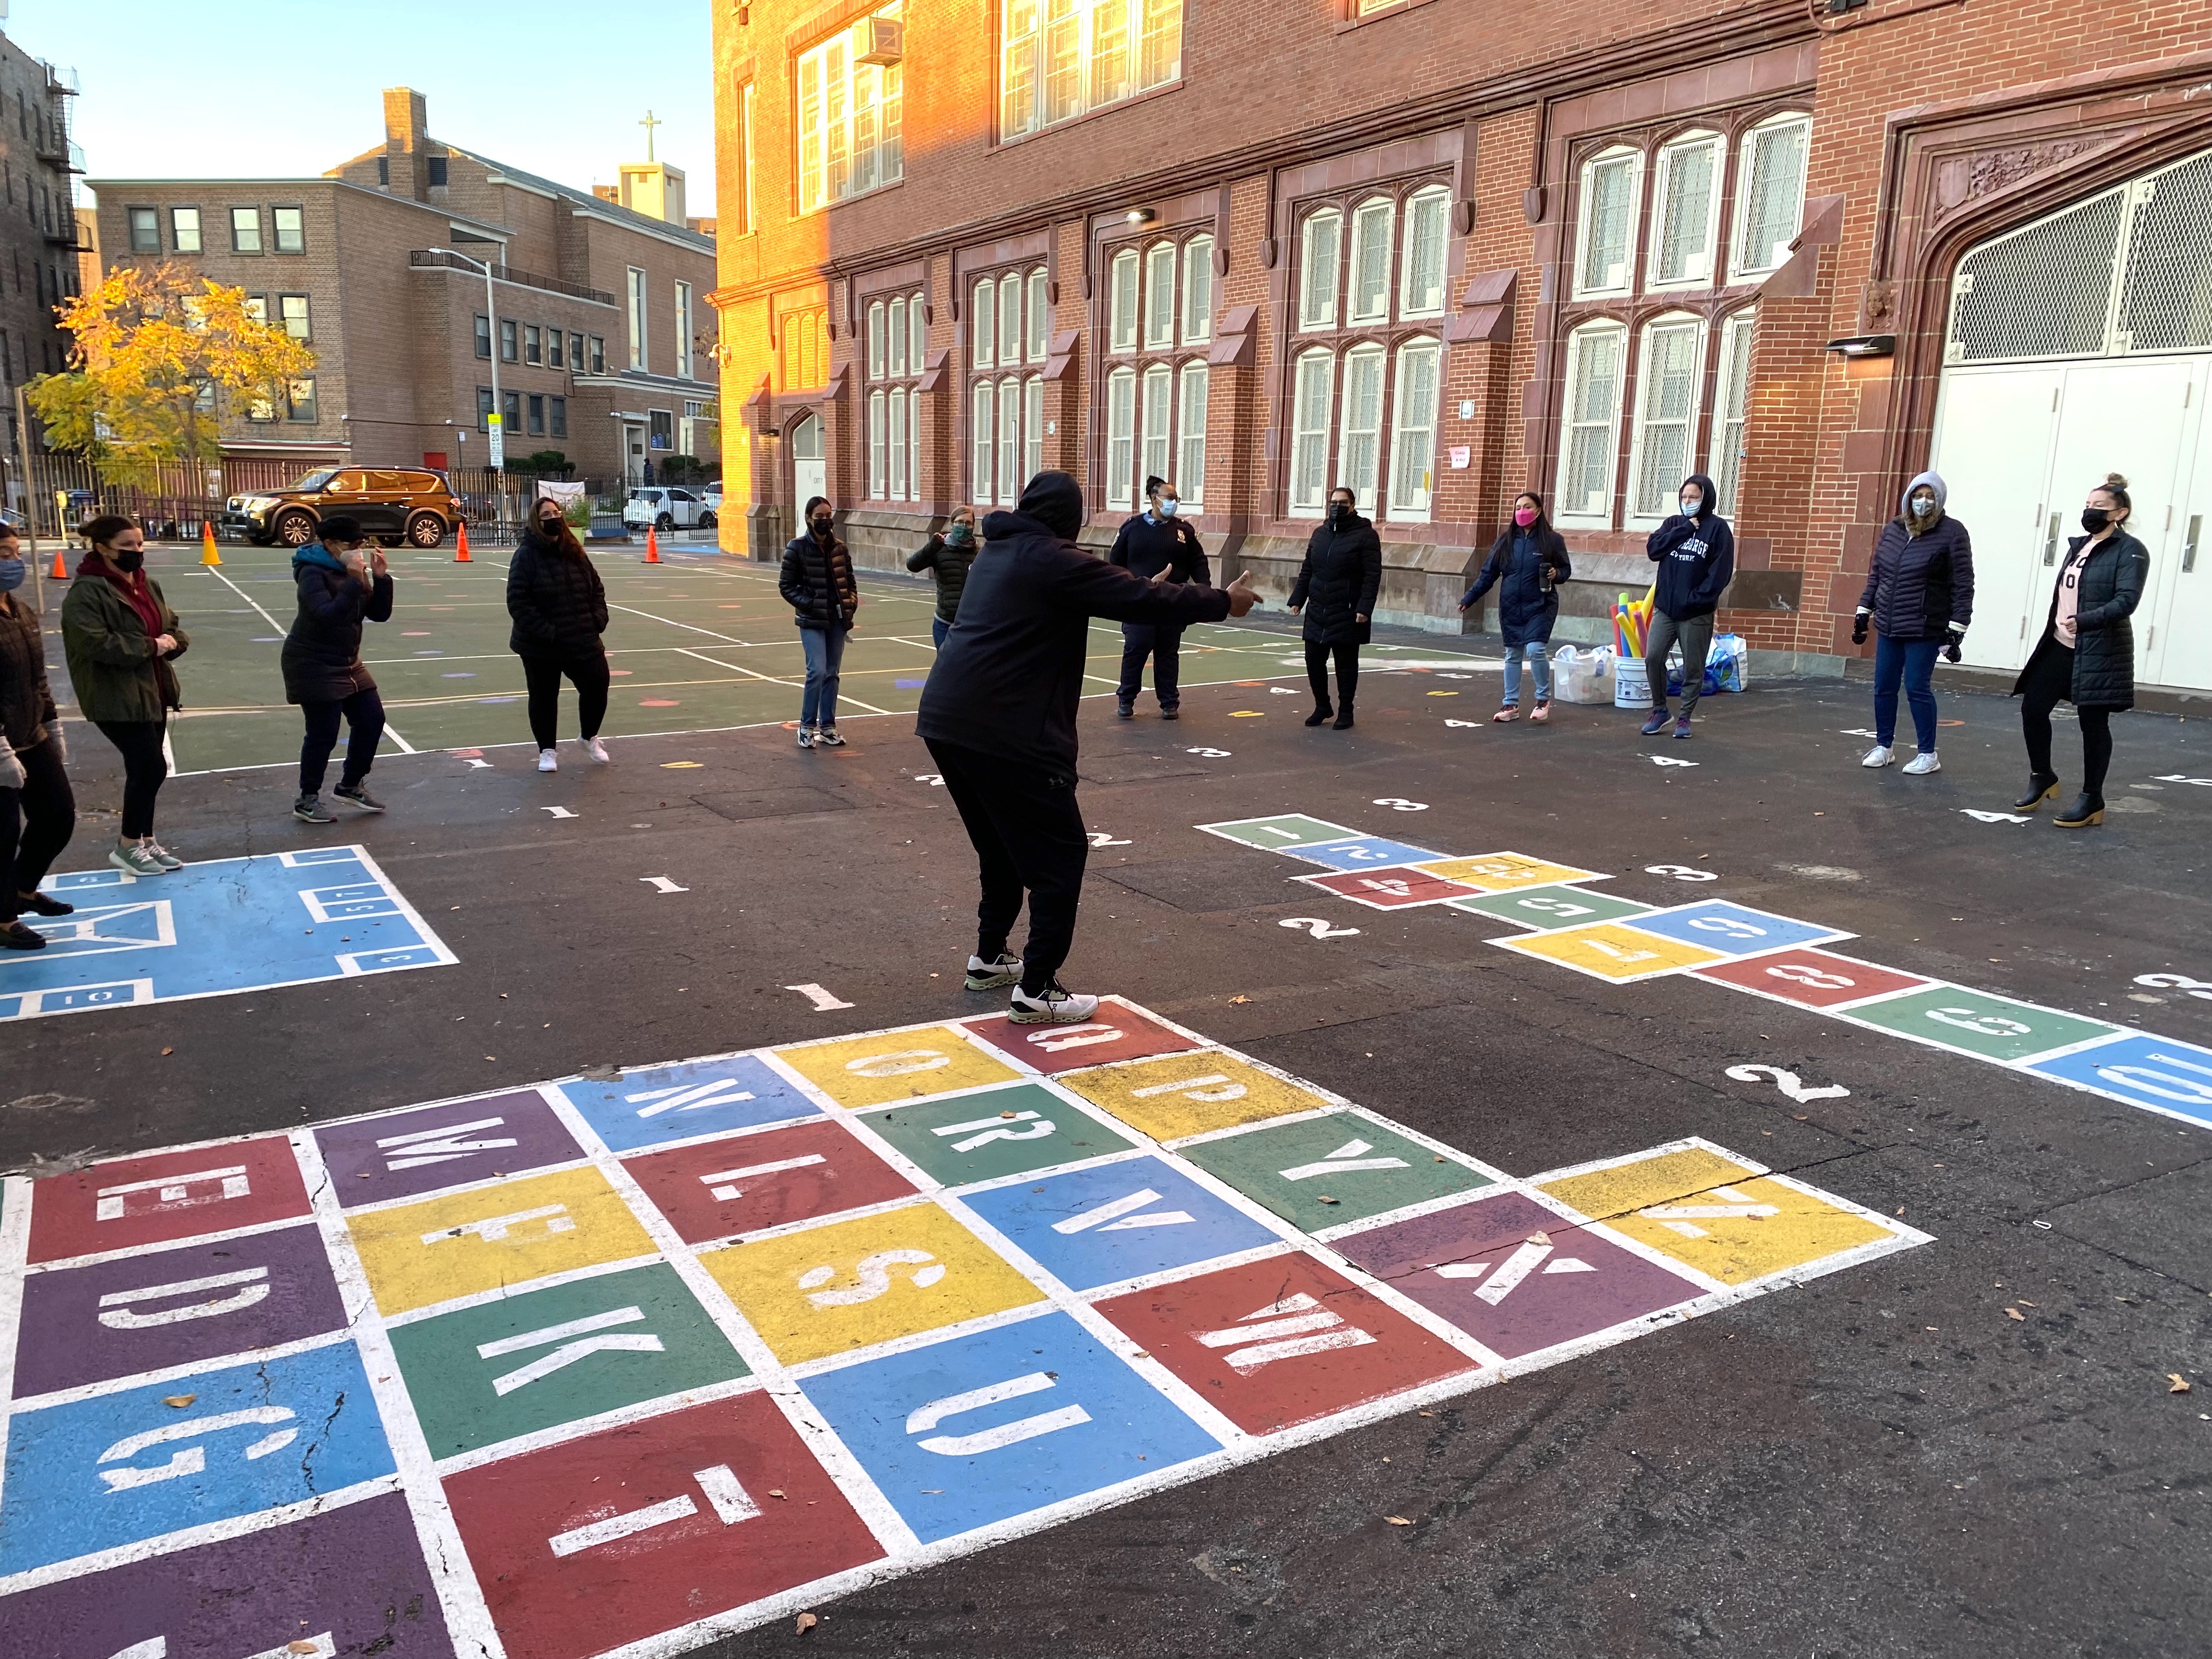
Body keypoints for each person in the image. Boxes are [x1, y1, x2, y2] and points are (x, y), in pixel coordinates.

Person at [917, 471, 1258, 1022]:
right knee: (1060, 854)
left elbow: (1110, 585)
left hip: (947, 719)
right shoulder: (1050, 558)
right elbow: (1137, 595)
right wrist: (1223, 600)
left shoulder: (1000, 553)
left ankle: (989, 958)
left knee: (1001, 846)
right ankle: (1037, 988)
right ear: (1067, 517)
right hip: (1008, 728)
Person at [2012, 472, 2149, 828]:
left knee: (2093, 723)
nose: (2090, 512)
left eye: (2099, 506)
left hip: (2099, 649)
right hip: (2060, 644)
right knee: (2033, 708)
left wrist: (2086, 620)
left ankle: (2092, 798)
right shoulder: (2078, 546)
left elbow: (2127, 601)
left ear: (2119, 513)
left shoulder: (2130, 550)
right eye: (2087, 505)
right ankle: (2043, 776)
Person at [62, 514, 188, 876]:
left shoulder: (146, 584)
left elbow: (171, 625)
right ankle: (128, 844)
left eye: (139, 544)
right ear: (102, 549)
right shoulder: (87, 593)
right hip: (114, 696)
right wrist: (151, 646)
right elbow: (95, 643)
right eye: (126, 546)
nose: (136, 552)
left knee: (148, 769)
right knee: (149, 765)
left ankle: (145, 840)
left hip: (152, 689)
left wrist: (172, 642)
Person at [1853, 471, 1973, 776]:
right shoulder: (1894, 529)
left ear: (1940, 500)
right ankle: (1884, 746)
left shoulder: (1952, 533)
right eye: (1918, 496)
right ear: (1908, 498)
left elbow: (1963, 584)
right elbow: (1878, 574)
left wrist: (1956, 629)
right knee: (1884, 686)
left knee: (1917, 687)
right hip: (1890, 624)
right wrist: (1863, 611)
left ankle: (1927, 754)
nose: (1923, 502)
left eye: (1930, 497)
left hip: (1925, 625)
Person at [283, 514, 394, 823]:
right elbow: (327, 615)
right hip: (312, 661)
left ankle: (350, 785)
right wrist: (354, 580)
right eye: (352, 544)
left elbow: (379, 614)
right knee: (323, 732)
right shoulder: (312, 572)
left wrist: (381, 579)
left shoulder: (353, 572)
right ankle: (307, 798)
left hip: (347, 661)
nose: (358, 550)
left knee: (372, 719)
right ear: (330, 544)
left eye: (361, 544)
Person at [0, 521, 73, 945]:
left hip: (31, 734)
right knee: (3, 832)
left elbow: (36, 678)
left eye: (14, 552)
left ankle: (22, 890)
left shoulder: (20, 610)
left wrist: (51, 723)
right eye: (4, 555)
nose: (13, 562)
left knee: (58, 815)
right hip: (2, 743)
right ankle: (4, 918)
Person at [506, 495, 612, 773]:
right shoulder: (526, 555)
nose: (555, 518)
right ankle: (547, 751)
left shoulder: (574, 551)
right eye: (547, 515)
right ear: (536, 521)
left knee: (597, 685)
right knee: (543, 697)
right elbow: (518, 602)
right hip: (542, 645)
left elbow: (596, 588)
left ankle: (589, 737)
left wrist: (597, 619)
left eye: (557, 512)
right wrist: (548, 632)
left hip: (582, 638)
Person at [1460, 492, 1572, 724]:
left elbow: (1565, 570)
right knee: (1513, 654)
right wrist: (1470, 597)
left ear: (1539, 511)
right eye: (1518, 507)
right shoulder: (1506, 541)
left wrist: (1556, 574)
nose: (1522, 512)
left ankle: (1543, 699)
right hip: (1511, 606)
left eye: (1527, 507)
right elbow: (1488, 573)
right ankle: (1510, 704)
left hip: (1541, 605)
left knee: (1535, 649)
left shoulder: (1552, 541)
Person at [1639, 473, 1735, 739]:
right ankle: (1660, 711)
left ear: (1706, 498)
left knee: (1693, 668)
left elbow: (1720, 573)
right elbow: (1654, 550)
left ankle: (1684, 718)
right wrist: (1684, 529)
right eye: (1684, 497)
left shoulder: (1718, 530)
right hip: (1666, 609)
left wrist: (1698, 599)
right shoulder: (1673, 523)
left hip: (1696, 612)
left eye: (1694, 497)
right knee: (1654, 657)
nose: (1688, 501)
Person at [1109, 476, 1211, 720]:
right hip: (1140, 602)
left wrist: (1204, 588)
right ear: (1154, 499)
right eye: (1170, 498)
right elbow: (1116, 563)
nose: (1174, 502)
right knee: (1136, 650)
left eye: (1177, 498)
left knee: (1167, 653)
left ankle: (1169, 702)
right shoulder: (1132, 528)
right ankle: (1126, 699)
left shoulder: (1184, 530)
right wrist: (1126, 589)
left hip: (1172, 603)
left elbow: (1198, 561)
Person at [1289, 486, 1381, 730]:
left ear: (1352, 505)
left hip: (1348, 610)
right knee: (1313, 661)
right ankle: (1322, 706)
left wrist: (1365, 607)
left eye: (1342, 503)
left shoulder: (1365, 536)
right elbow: (1308, 568)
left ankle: (1346, 711)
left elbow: (1372, 576)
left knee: (1346, 665)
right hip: (1318, 608)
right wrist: (1298, 599)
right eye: (1333, 502)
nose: (1336, 507)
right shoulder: (1320, 534)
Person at [781, 495, 859, 749]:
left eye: (828, 515)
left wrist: (850, 603)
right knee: (817, 671)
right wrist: (809, 603)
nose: (825, 520)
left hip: (837, 619)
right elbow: (786, 586)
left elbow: (849, 580)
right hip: (812, 620)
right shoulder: (797, 547)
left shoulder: (839, 547)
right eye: (820, 517)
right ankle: (806, 727)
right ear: (808, 518)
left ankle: (828, 727)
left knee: (833, 673)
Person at [907, 504, 978, 649]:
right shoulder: (940, 549)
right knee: (945, 666)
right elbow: (913, 565)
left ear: (973, 527)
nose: (964, 527)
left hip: (969, 623)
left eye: (968, 523)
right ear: (952, 524)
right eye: (959, 522)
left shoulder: (979, 553)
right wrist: (932, 547)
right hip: (944, 622)